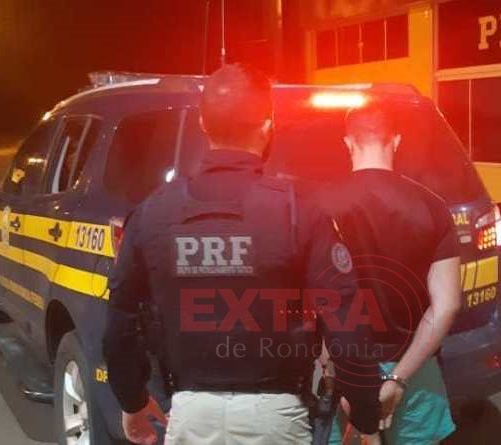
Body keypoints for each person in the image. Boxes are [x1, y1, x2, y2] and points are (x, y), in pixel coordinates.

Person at [103, 64, 358, 445]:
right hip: (276, 417)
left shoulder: (154, 211)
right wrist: (364, 409)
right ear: (268, 126)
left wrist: (132, 400)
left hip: (189, 414)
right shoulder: (299, 211)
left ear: (202, 125)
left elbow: (120, 322)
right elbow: (345, 317)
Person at [324, 104, 462, 445]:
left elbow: (314, 302)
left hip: (344, 368)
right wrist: (398, 378)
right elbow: (446, 304)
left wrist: (338, 374)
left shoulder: (322, 206)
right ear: (396, 141)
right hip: (415, 369)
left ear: (348, 142)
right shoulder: (432, 205)